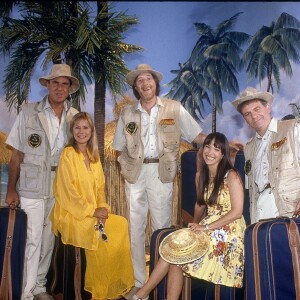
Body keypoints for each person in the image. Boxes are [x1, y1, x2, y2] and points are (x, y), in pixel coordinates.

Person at [112, 64, 243, 290]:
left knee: (161, 227)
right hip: (135, 174)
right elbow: (117, 147)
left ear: (155, 83)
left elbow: (196, 134)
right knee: (135, 226)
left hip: (162, 173)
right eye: (140, 81)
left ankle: (158, 280)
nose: (145, 84)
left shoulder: (173, 108)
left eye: (149, 79)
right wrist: (125, 167)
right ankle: (139, 282)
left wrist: (226, 144)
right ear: (135, 87)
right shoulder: (127, 113)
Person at [131, 132, 246, 300]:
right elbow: (200, 204)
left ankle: (141, 295)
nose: (210, 152)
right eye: (207, 146)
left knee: (179, 254)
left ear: (223, 154)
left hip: (230, 229)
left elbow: (237, 212)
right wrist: (192, 225)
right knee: (176, 252)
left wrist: (205, 227)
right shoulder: (201, 176)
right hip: (209, 225)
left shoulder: (232, 175)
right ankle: (142, 295)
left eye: (216, 148)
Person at [5, 64, 79, 300]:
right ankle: (25, 294)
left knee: (48, 239)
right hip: (32, 185)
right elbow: (16, 155)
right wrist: (10, 190)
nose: (59, 88)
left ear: (70, 88)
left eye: (64, 83)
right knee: (33, 239)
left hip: (60, 187)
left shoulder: (74, 116)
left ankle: (38, 287)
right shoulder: (28, 112)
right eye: (55, 82)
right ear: (47, 85)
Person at [51, 112, 134, 299]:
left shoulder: (94, 157)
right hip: (71, 214)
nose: (81, 132)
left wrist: (103, 208)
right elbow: (66, 192)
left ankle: (106, 285)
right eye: (77, 127)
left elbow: (100, 191)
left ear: (91, 131)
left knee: (120, 224)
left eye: (85, 127)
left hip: (93, 212)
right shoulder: (68, 154)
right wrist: (92, 211)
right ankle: (91, 288)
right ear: (72, 131)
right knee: (91, 230)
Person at [232, 87, 300, 223]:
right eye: (247, 114)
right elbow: (249, 187)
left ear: (268, 107)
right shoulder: (249, 148)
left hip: (290, 208)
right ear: (245, 119)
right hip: (260, 211)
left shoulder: (293, 128)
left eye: (257, 109)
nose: (254, 116)